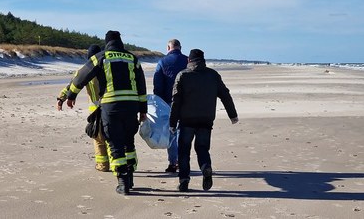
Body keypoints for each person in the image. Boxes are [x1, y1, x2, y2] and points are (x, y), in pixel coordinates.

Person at [62, 30, 147, 195]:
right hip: (131, 107)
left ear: (106, 42)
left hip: (111, 107)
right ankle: (129, 177)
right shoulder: (132, 58)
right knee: (129, 142)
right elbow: (141, 86)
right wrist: (143, 109)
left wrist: (71, 95)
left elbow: (80, 77)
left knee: (115, 143)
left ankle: (122, 183)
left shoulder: (101, 57)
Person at [169, 49, 239, 192]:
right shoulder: (213, 75)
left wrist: (172, 122)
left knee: (184, 151)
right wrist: (233, 115)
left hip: (186, 120)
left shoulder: (182, 75)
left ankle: (184, 181)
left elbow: (175, 101)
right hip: (206, 120)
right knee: (202, 148)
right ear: (203, 60)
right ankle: (205, 166)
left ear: (189, 60)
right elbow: (225, 95)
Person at [57, 44, 110, 172]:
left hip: (94, 111)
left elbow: (72, 85)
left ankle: (102, 165)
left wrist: (61, 98)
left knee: (98, 139)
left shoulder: (84, 70)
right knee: (110, 137)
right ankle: (116, 165)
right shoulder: (108, 68)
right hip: (109, 107)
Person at [153, 39, 188, 173]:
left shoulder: (162, 62)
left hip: (169, 102)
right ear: (180, 47)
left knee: (172, 132)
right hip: (186, 101)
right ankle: (183, 162)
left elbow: (158, 85)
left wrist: (158, 102)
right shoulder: (188, 61)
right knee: (183, 132)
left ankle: (173, 163)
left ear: (168, 47)